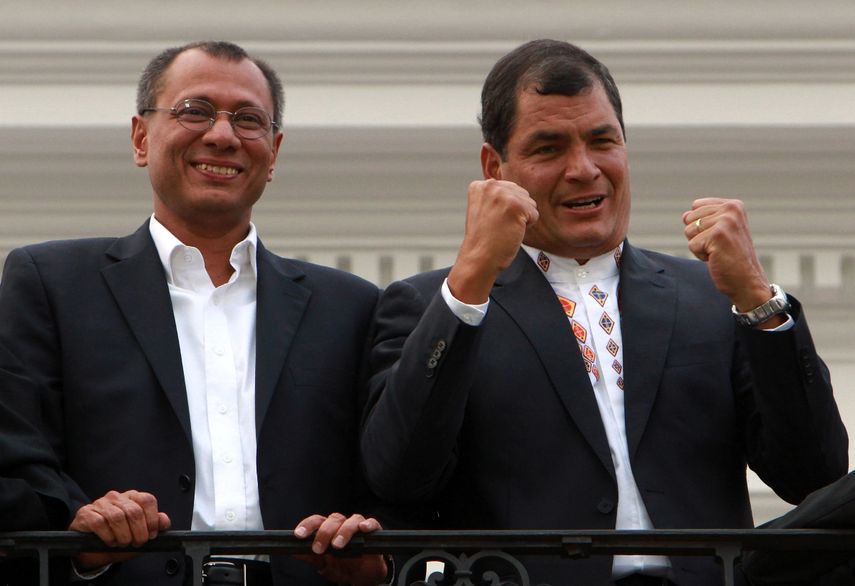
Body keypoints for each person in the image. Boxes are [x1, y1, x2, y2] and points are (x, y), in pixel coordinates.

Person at [360, 39, 848, 586]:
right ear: (495, 167)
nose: (583, 169)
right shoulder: (434, 305)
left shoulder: (710, 296)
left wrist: (758, 300)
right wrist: (471, 280)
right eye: (548, 148)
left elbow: (815, 475)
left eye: (601, 141)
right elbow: (399, 478)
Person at [0, 41, 388, 586]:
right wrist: (82, 534)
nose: (223, 135)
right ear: (141, 138)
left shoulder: (349, 306)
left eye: (248, 120)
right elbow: (16, 456)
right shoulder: (51, 283)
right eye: (194, 111)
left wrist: (368, 550)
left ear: (273, 152)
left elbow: (390, 472)